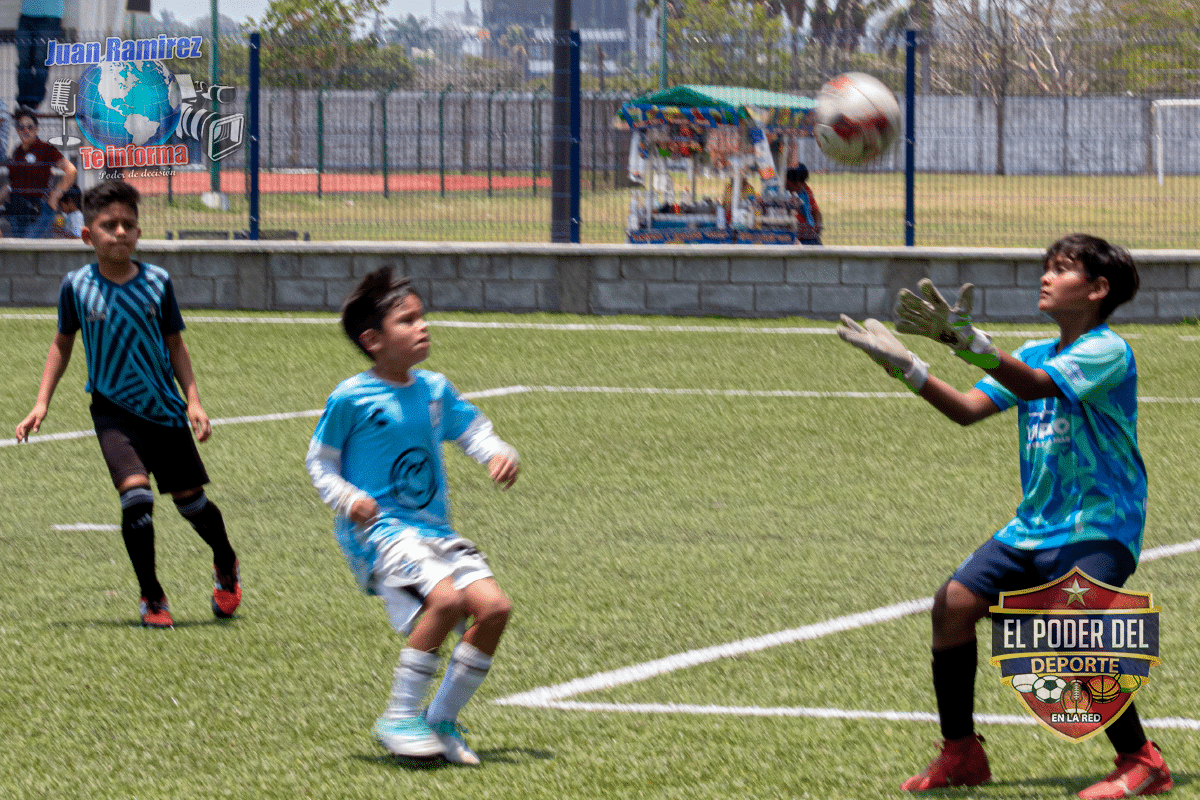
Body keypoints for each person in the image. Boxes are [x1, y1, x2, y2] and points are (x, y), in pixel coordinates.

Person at [836, 233, 1171, 799]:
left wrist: (969, 342)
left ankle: (1142, 760)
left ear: (1097, 289)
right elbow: (969, 409)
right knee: (954, 604)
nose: (1045, 275)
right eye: (1046, 266)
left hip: (1101, 524)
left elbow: (1039, 386)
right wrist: (909, 368)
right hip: (1034, 525)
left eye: (1061, 269)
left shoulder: (1107, 350)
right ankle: (962, 753)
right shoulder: (1035, 350)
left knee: (1066, 624)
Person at [306, 266, 519, 765]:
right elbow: (320, 461)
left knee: (493, 608)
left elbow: (471, 427)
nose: (422, 326)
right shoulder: (351, 398)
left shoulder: (434, 389)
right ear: (373, 340)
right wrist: (347, 499)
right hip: (380, 531)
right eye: (407, 320)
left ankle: (440, 720)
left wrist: (494, 452)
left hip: (433, 531)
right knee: (444, 603)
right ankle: (398, 715)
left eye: (422, 316)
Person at [15, 179, 241, 629]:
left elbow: (176, 344)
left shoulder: (157, 283)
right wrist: (41, 403)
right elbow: (61, 344)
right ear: (87, 234)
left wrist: (193, 402)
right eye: (108, 225)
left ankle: (225, 560)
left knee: (191, 503)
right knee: (136, 497)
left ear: (138, 232)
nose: (120, 232)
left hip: (164, 411)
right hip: (112, 410)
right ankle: (152, 597)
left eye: (129, 225)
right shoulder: (76, 286)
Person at [4, 106, 77, 238]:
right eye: (21, 127)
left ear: (36, 128)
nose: (25, 130)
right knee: (20, 251)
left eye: (30, 127)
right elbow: (12, 183)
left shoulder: (45, 149)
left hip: (39, 209)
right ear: (17, 131)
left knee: (27, 249)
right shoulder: (16, 152)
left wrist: (54, 197)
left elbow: (71, 170)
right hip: (17, 211)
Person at [15, 0, 64, 110]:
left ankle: (35, 101)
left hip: (50, 16)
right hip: (26, 14)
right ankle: (23, 101)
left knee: (40, 60)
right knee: (24, 61)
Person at [785, 165, 822, 245]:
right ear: (787, 180)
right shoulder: (778, 194)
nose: (801, 186)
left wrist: (818, 225)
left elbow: (815, 211)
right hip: (791, 236)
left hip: (809, 235)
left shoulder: (805, 190)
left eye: (803, 182)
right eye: (796, 183)